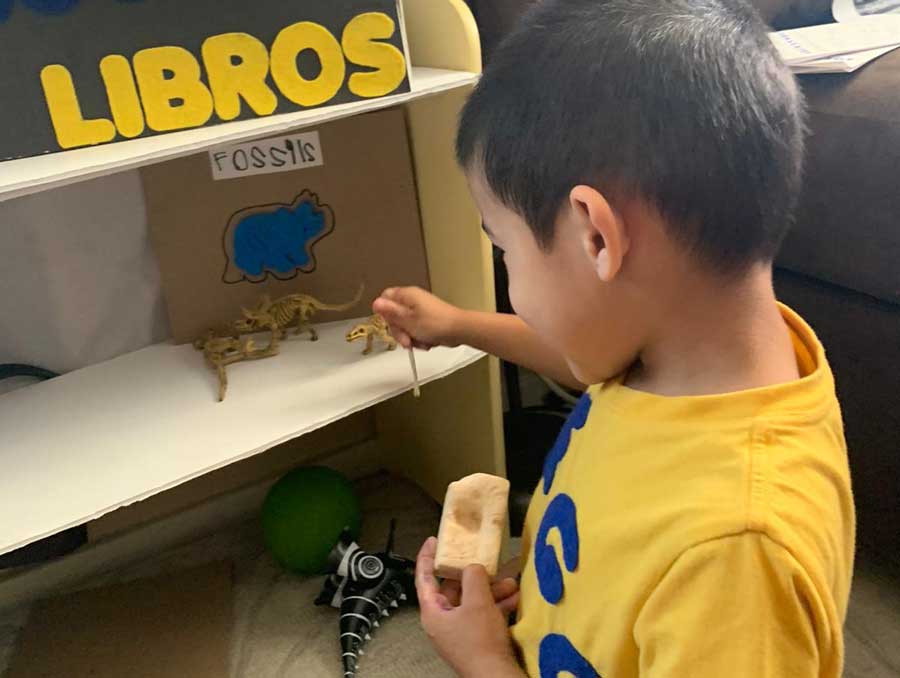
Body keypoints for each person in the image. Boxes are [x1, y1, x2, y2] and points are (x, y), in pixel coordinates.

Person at [374, 1, 855, 676]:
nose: (507, 273)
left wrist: (484, 662)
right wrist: (456, 325)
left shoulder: (736, 556)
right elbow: (591, 372)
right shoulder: (685, 350)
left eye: (503, 248)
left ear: (596, 236)